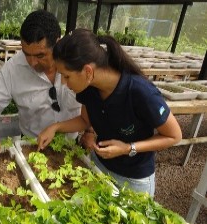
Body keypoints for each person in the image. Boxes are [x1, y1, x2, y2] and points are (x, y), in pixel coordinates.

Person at [37, 28, 182, 196]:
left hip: (133, 180)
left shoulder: (140, 91)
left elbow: (174, 136)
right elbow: (85, 121)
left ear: (88, 71)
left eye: (67, 76)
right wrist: (55, 127)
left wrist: (128, 148)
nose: (63, 82)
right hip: (99, 166)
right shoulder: (88, 88)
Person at [0, 10, 81, 151]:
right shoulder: (14, 68)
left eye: (40, 55)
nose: (32, 62)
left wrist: (90, 131)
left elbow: (94, 98)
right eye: (27, 54)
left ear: (57, 42)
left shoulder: (76, 62)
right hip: (32, 146)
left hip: (72, 145)